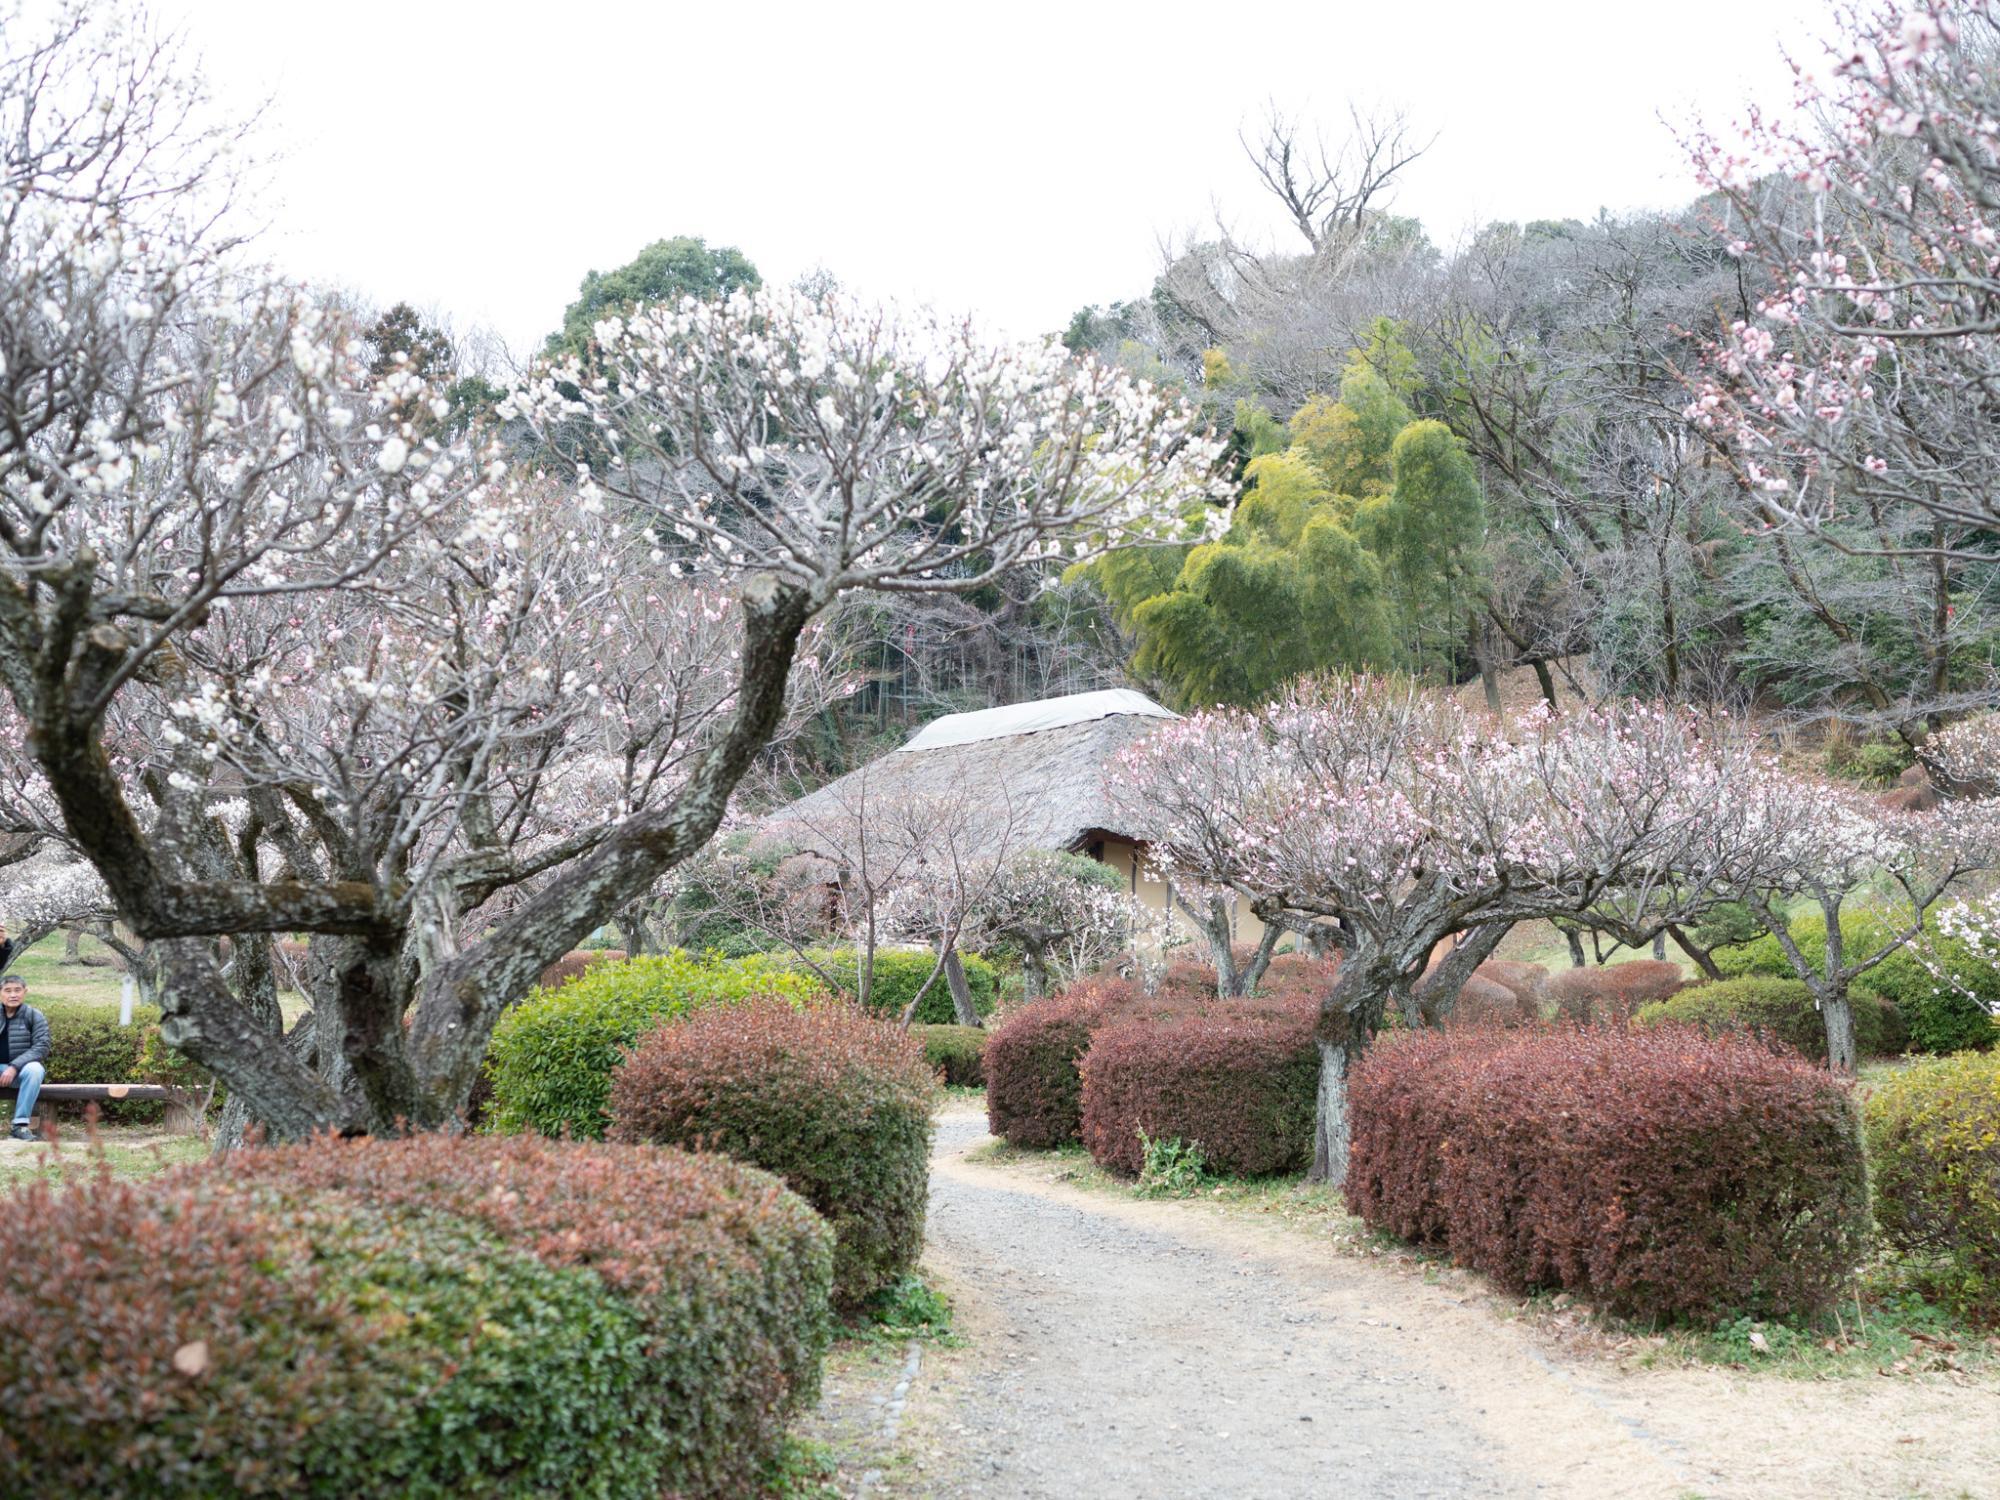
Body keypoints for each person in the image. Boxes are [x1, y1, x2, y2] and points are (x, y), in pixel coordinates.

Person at [0, 974, 48, 1141]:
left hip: (21, 1071)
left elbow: (41, 1047)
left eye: (17, 990)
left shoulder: (34, 1015)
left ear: (25, 992)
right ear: (1, 993)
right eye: (8, 991)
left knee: (35, 1069)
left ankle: (20, 1125)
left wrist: (13, 1067)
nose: (13, 995)